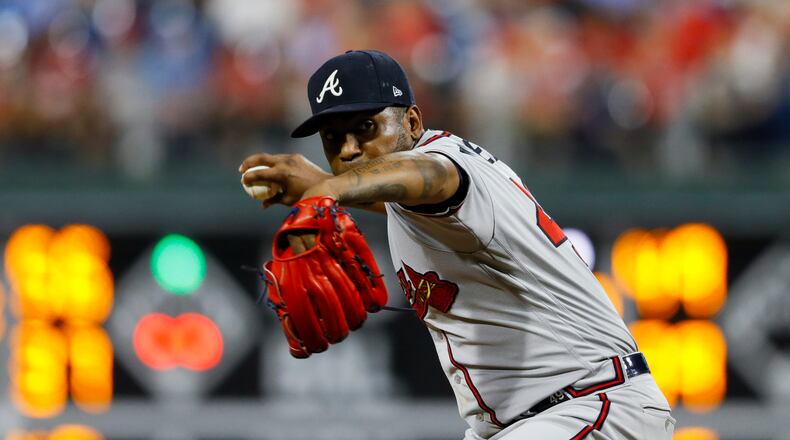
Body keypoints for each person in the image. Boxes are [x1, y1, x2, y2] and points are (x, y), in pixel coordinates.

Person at [239, 50, 675, 440]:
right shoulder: (416, 204)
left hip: (591, 404)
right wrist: (317, 182)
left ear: (412, 121)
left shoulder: (448, 165)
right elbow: (397, 195)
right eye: (333, 138)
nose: (350, 149)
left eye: (366, 127)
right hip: (537, 420)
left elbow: (427, 177)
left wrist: (329, 190)